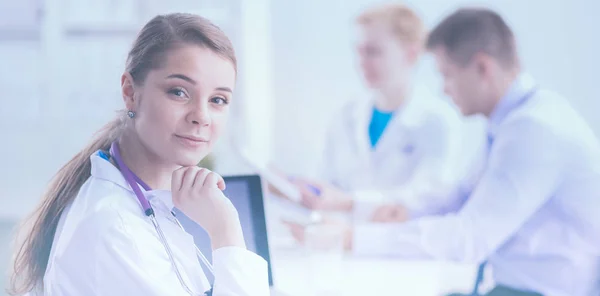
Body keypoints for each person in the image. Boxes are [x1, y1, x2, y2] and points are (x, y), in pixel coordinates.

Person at [288, 7, 600, 296]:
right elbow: (455, 197)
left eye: (447, 74)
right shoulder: (513, 122)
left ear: (482, 67)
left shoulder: (535, 130)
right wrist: (354, 205)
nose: (443, 88)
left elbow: (468, 237)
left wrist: (353, 238)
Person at [9, 13, 269, 296]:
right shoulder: (115, 229)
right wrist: (226, 230)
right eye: (179, 92)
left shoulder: (145, 198)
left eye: (218, 100)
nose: (202, 117)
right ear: (131, 92)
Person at [280, 2, 472, 223]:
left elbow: (427, 200)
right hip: (343, 245)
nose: (362, 62)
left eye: (373, 52)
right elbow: (325, 186)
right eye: (359, 51)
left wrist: (348, 202)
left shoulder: (437, 121)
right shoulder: (346, 116)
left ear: (411, 54)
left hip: (405, 248)